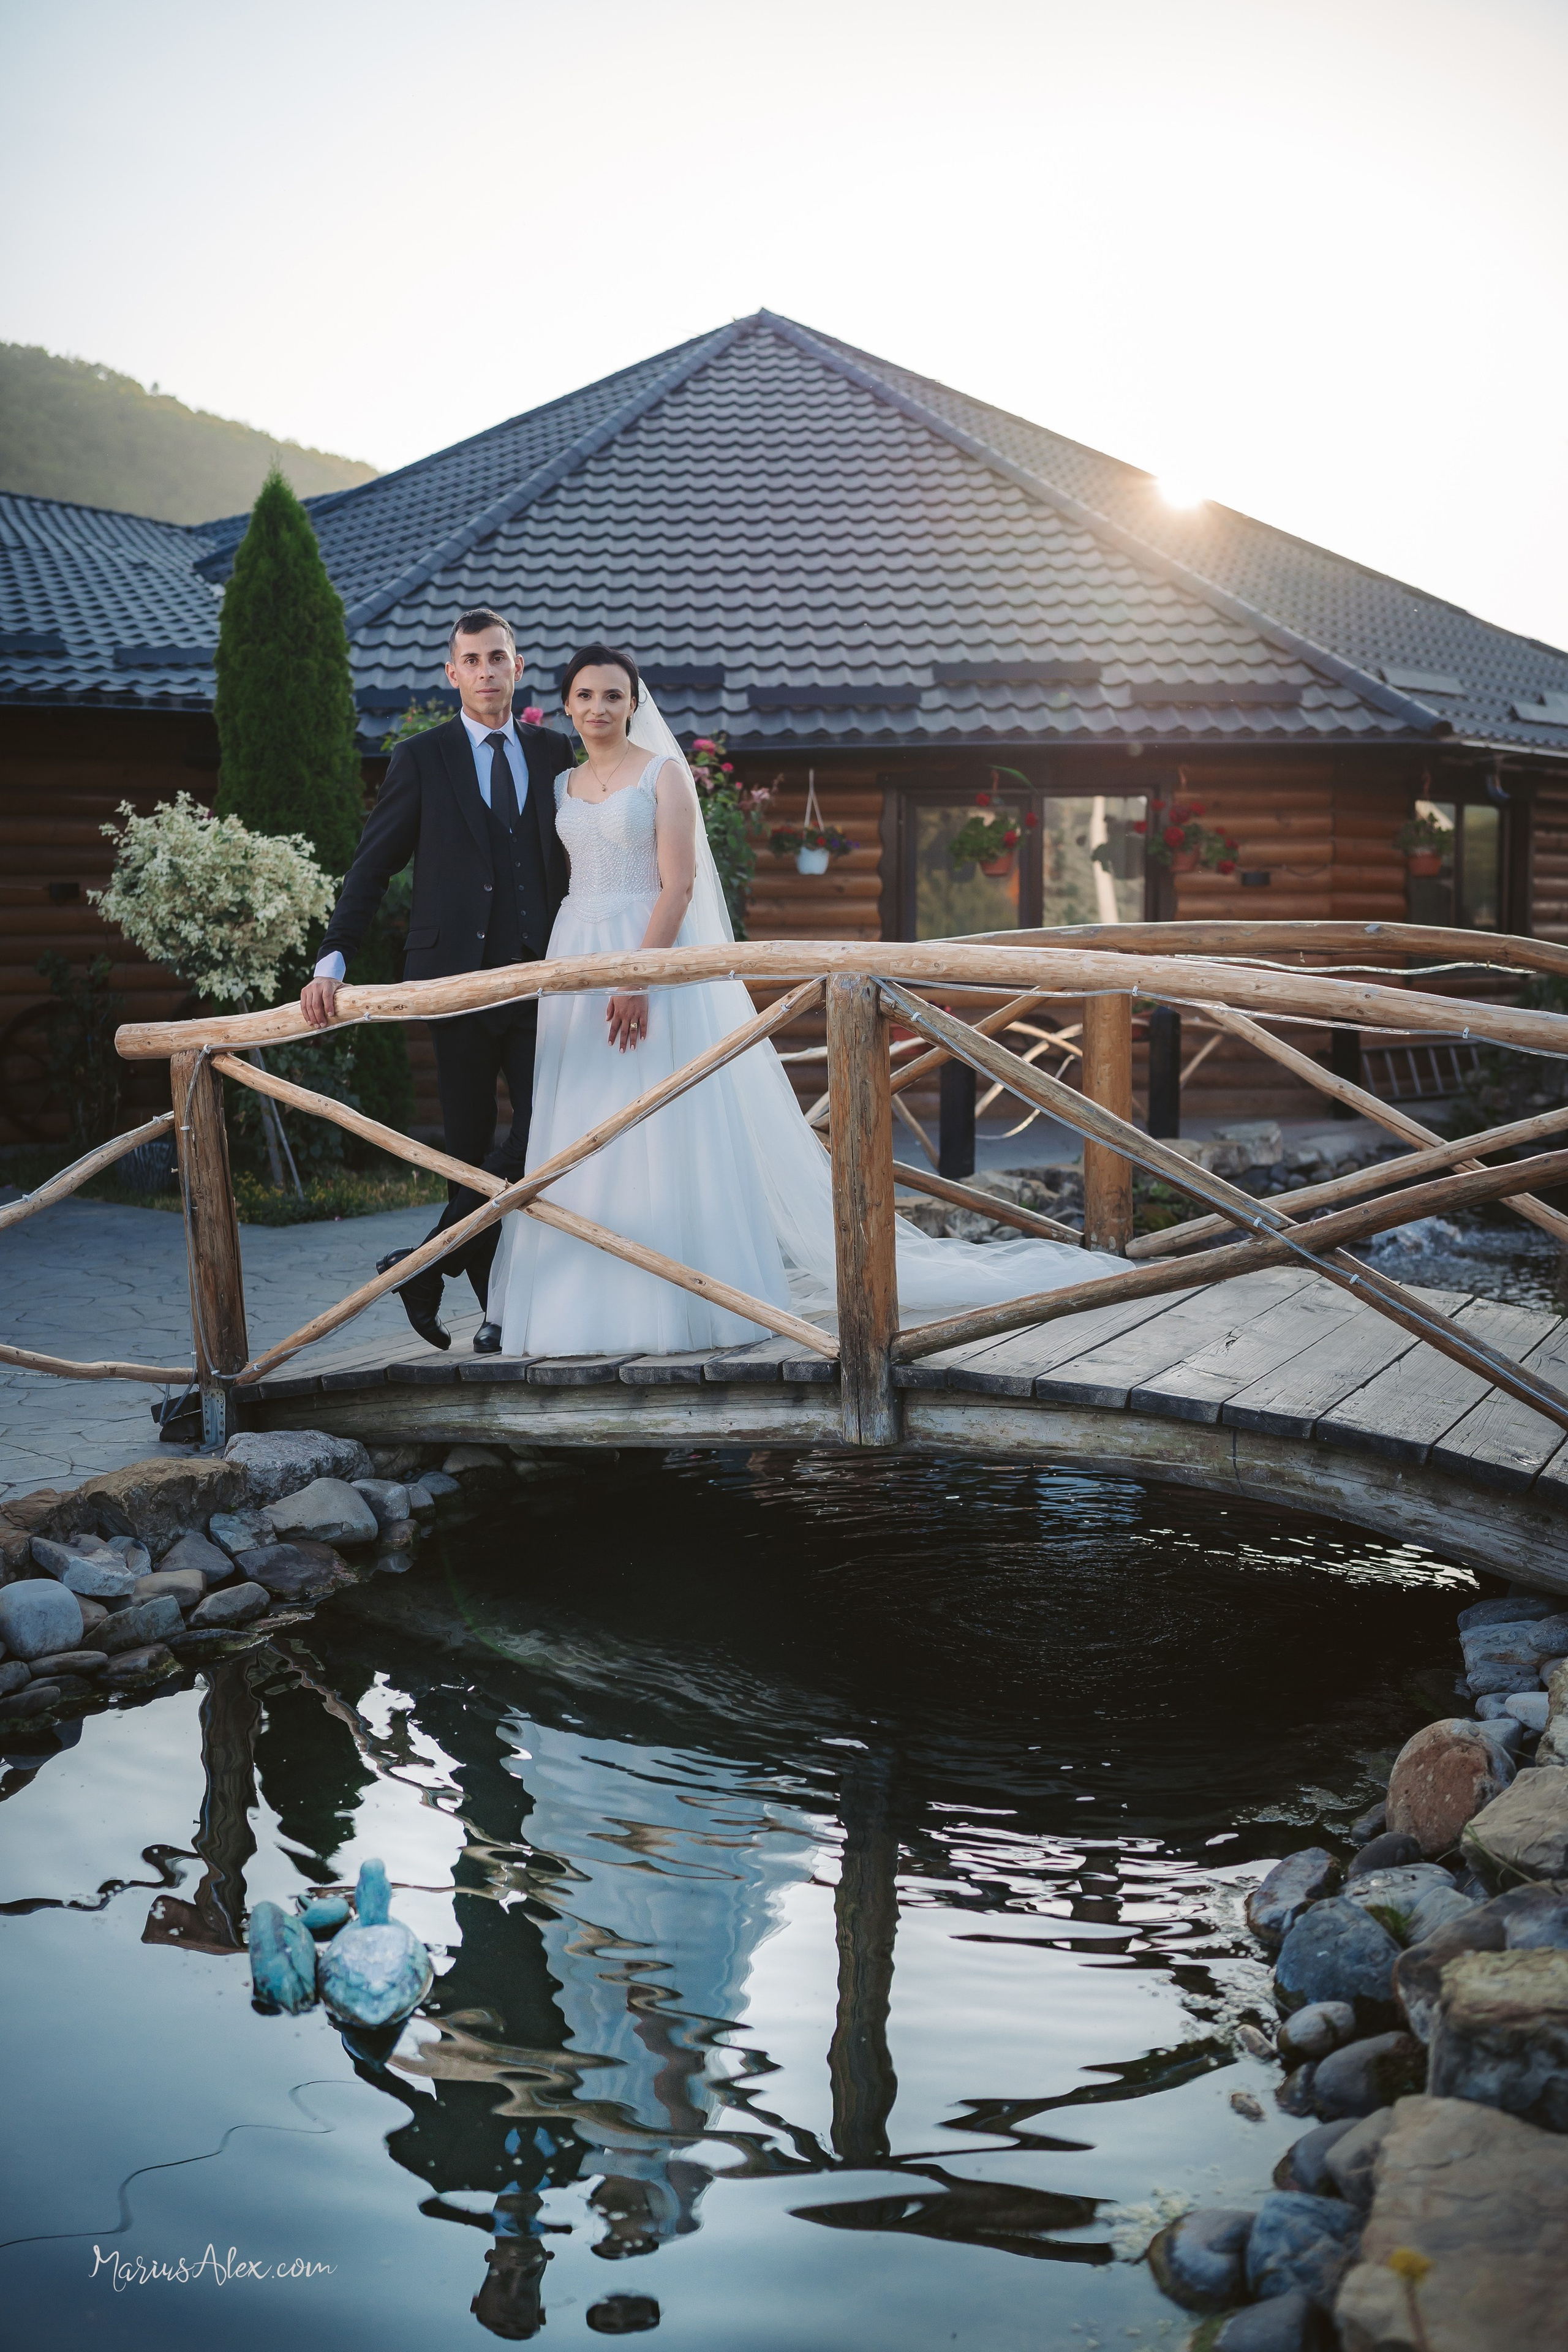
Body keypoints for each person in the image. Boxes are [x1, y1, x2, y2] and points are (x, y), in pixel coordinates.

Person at [490, 646, 1115, 1357]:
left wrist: (639, 978)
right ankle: (577, 1303)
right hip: (573, 953)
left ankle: (674, 1303)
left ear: (634, 703)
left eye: (612, 695)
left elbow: (678, 887)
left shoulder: (663, 776)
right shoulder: (562, 783)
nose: (598, 708)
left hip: (645, 952)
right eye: (584, 695)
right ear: (566, 705)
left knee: (655, 1123)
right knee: (582, 1120)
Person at [300, 609, 575, 1351]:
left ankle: (427, 1268)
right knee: (465, 1147)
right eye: (472, 660)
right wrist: (333, 956)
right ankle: (495, 1316)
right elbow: (373, 863)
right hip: (450, 984)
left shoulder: (557, 752)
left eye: (498, 658)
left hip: (538, 983)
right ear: (451, 674)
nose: (487, 671)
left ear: (519, 668)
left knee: (541, 1140)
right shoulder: (421, 757)